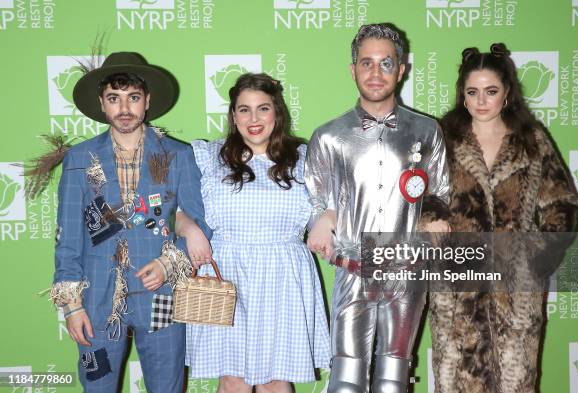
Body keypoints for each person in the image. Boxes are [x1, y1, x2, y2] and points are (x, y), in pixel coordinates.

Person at [50, 52, 212, 392]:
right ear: (102, 103)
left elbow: (198, 221)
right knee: (97, 385)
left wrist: (171, 263)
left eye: (133, 98)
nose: (124, 108)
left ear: (147, 101)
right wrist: (72, 306)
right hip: (95, 299)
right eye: (114, 98)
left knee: (167, 386)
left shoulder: (177, 155)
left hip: (162, 294)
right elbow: (67, 239)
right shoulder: (80, 159)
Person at [429, 43, 578, 393]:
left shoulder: (531, 141)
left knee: (515, 383)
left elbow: (564, 204)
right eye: (473, 92)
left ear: (507, 94)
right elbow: (420, 197)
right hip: (456, 293)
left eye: (491, 91)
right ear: (463, 97)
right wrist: (431, 224)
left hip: (514, 296)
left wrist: (535, 256)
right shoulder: (442, 141)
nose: (482, 100)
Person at [305, 23, 451, 393]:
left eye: (386, 64)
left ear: (401, 70)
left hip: (408, 273)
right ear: (352, 69)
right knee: (346, 380)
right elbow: (317, 202)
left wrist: (434, 228)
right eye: (366, 63)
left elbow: (440, 194)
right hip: (353, 271)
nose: (375, 73)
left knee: (393, 379)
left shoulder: (426, 131)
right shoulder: (328, 136)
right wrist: (320, 222)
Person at [176, 73, 331, 393]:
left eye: (263, 108)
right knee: (232, 379)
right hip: (227, 273)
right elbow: (172, 208)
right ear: (233, 116)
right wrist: (190, 229)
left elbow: (339, 199)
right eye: (244, 109)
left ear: (277, 112)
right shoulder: (208, 157)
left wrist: (329, 217)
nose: (254, 118)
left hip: (283, 275)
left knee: (276, 380)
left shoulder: (304, 158)